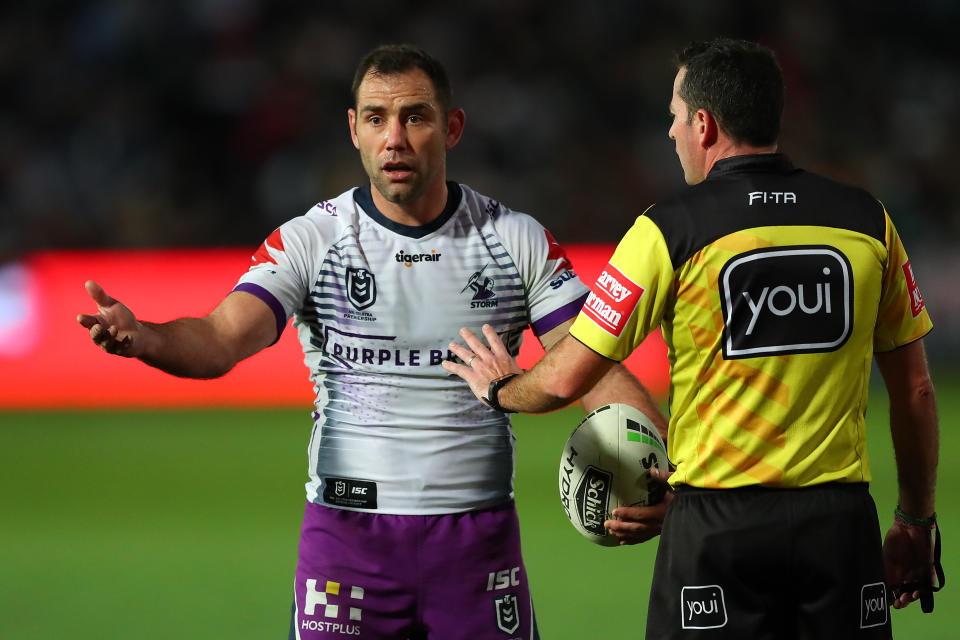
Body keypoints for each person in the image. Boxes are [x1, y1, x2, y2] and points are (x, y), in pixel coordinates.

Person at [77, 44, 666, 640]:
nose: (396, 139)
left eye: (415, 116)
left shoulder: (516, 241)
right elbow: (220, 338)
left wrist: (663, 473)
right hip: (346, 546)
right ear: (354, 128)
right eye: (377, 119)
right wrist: (144, 337)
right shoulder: (313, 240)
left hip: (476, 547)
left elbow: (592, 364)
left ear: (452, 127)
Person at [444, 38, 941, 639]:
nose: (671, 132)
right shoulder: (866, 221)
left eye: (675, 117)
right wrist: (916, 519)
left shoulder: (669, 230)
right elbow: (915, 390)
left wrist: (502, 390)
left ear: (704, 125)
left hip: (717, 530)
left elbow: (569, 375)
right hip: (838, 527)